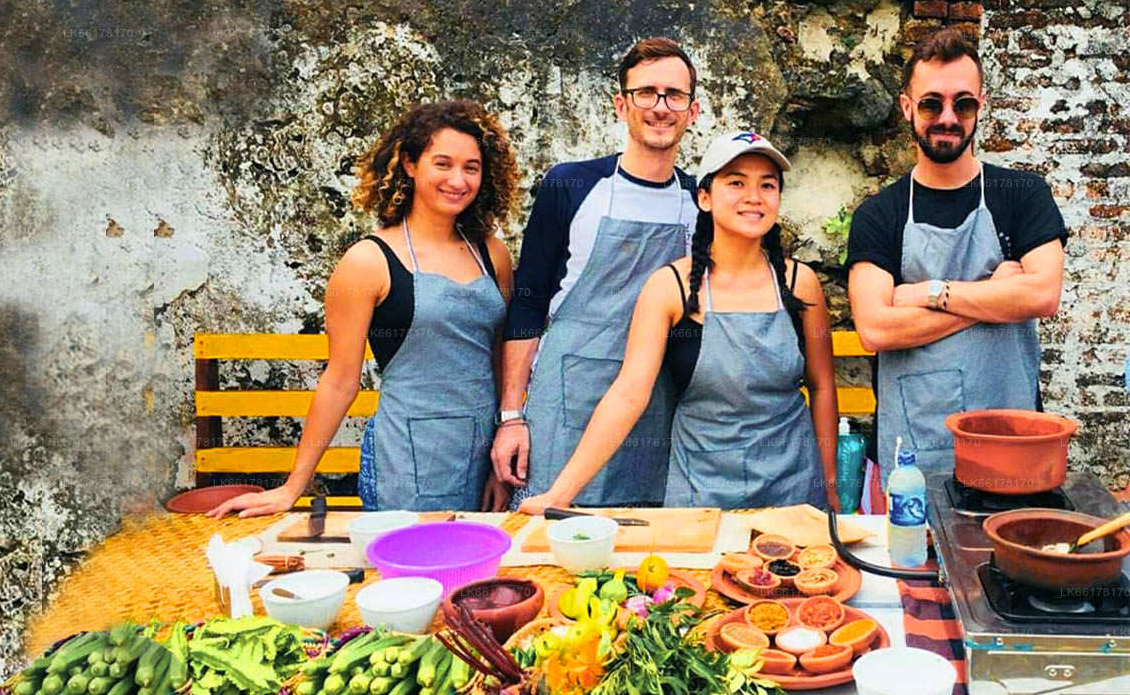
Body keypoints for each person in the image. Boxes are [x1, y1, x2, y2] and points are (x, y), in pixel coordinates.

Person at [208, 100, 518, 517]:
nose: (457, 180)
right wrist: (293, 487)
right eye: (442, 164)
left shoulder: (492, 254)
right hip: (406, 459)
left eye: (471, 168)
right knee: (409, 560)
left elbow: (499, 360)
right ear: (409, 164)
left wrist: (502, 454)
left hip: (483, 455)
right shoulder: (368, 262)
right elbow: (340, 381)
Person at [519, 132, 840, 513]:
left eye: (767, 185)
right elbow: (628, 393)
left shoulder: (799, 282)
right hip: (702, 491)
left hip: (793, 487)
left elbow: (822, 386)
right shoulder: (669, 288)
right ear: (704, 197)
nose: (754, 196)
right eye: (736, 183)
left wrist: (828, 486)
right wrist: (560, 494)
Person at [847, 27, 1066, 487]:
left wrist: (928, 293)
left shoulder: (1021, 194)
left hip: (1012, 446)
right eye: (931, 104)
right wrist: (996, 295)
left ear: (980, 106)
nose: (947, 118)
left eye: (962, 104)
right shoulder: (879, 214)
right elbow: (876, 329)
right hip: (914, 457)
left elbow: (1043, 295)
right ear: (907, 107)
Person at [493, 37, 700, 508]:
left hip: (653, 404)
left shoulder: (700, 201)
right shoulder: (571, 185)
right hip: (564, 398)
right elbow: (528, 302)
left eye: (674, 95)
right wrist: (511, 416)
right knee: (547, 527)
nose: (660, 107)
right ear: (621, 104)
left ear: (693, 111)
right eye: (646, 93)